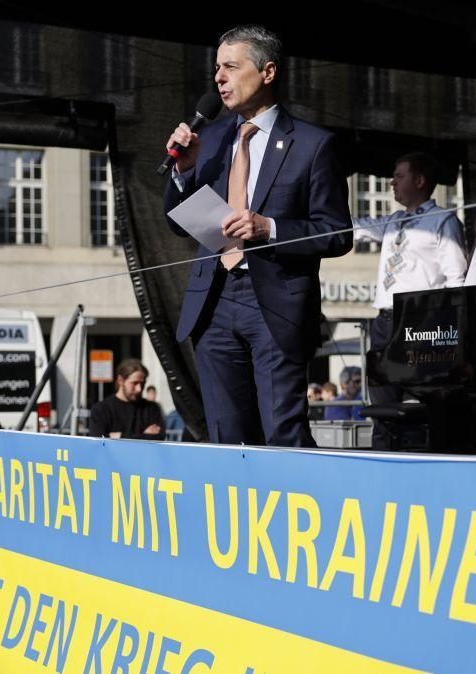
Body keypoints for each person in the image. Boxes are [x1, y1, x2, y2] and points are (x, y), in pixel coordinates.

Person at [163, 25, 352, 447]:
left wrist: (270, 228)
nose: (219, 78)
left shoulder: (313, 144)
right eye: (216, 68)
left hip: (274, 304)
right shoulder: (208, 139)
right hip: (213, 301)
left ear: (267, 72)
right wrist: (183, 172)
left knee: (281, 433)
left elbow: (338, 233)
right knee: (227, 437)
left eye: (231, 66)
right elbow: (178, 223)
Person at [353, 152, 467, 448]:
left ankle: (418, 463)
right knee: (382, 405)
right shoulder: (394, 221)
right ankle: (382, 464)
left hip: (419, 321)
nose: (392, 183)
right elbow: (355, 228)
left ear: (419, 180)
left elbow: (457, 280)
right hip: (384, 320)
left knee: (418, 404)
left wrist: (452, 329)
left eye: (399, 176)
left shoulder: (443, 221)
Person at [88, 359, 164, 440]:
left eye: (142, 383)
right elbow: (99, 442)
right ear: (121, 380)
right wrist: (143, 436)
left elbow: (159, 438)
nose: (139, 389)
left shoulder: (152, 409)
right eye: (135, 383)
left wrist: (119, 436)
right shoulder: (101, 409)